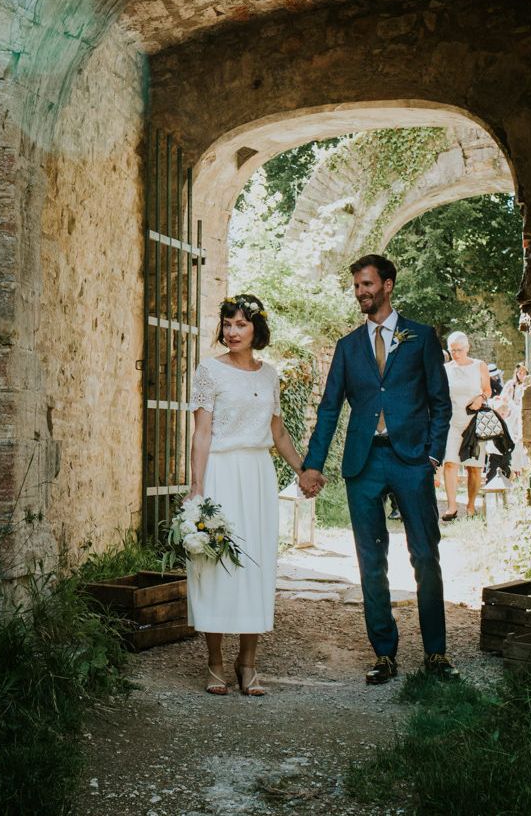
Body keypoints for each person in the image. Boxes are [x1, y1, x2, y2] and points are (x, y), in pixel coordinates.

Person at [299, 255, 458, 684]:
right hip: (364, 461)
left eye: (367, 284)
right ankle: (384, 654)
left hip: (411, 460)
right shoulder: (349, 346)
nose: (361, 292)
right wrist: (313, 465)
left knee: (424, 555)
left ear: (387, 285)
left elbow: (440, 402)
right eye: (356, 286)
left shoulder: (421, 337)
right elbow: (329, 408)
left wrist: (432, 456)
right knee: (371, 559)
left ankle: (436, 653)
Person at [187, 293, 304, 697]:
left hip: (257, 476)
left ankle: (248, 663)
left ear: (257, 329)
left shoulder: (269, 375)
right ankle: (215, 662)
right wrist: (197, 487)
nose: (232, 331)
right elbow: (202, 433)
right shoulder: (209, 370)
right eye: (227, 324)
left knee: (256, 565)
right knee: (215, 563)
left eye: (241, 324)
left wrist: (303, 470)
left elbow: (278, 432)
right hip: (221, 472)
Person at [440, 331, 491, 522]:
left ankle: (470, 505)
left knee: (474, 468)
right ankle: (452, 506)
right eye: (452, 350)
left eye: (459, 350)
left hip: (474, 421)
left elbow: (487, 390)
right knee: (450, 463)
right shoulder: (445, 369)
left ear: (467, 347)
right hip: (452, 421)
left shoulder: (479, 366)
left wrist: (481, 398)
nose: (456, 354)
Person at [496, 363, 531, 480]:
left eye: (523, 372)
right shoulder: (510, 384)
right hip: (510, 417)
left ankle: (521, 472)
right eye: (519, 372)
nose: (521, 374)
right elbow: (503, 399)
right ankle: (511, 472)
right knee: (511, 442)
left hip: (521, 417)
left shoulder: (527, 385)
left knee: (520, 445)